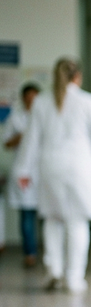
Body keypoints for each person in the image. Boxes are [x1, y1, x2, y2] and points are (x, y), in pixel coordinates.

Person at [14, 57, 91, 294]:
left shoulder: (41, 102)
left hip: (51, 168)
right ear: (78, 77)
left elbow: (31, 139)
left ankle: (53, 269)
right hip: (80, 169)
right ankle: (74, 277)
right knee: (77, 222)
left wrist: (23, 169)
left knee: (52, 219)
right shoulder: (88, 101)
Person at [1, 83, 40, 265]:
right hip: (24, 170)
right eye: (29, 98)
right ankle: (30, 253)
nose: (32, 101)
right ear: (23, 98)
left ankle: (48, 253)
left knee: (48, 215)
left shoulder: (44, 115)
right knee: (27, 214)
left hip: (42, 171)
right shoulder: (15, 118)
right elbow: (7, 144)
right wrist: (24, 136)